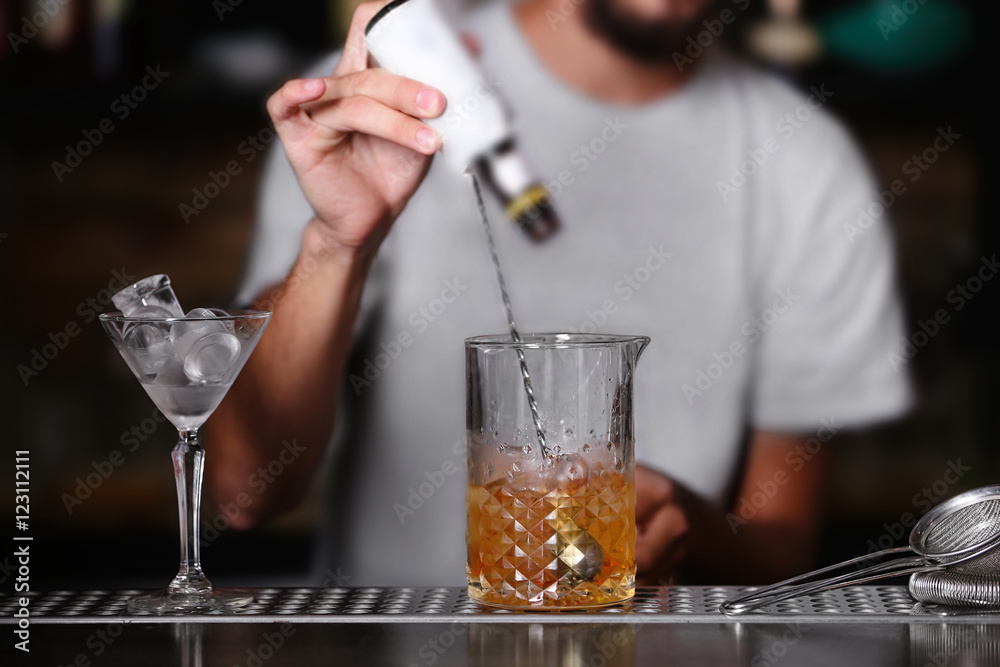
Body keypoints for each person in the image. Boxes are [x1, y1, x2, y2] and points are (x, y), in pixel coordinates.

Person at [207, 0, 911, 586]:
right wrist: (336, 243)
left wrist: (686, 527)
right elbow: (243, 492)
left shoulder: (807, 164)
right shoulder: (382, 98)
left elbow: (782, 550)